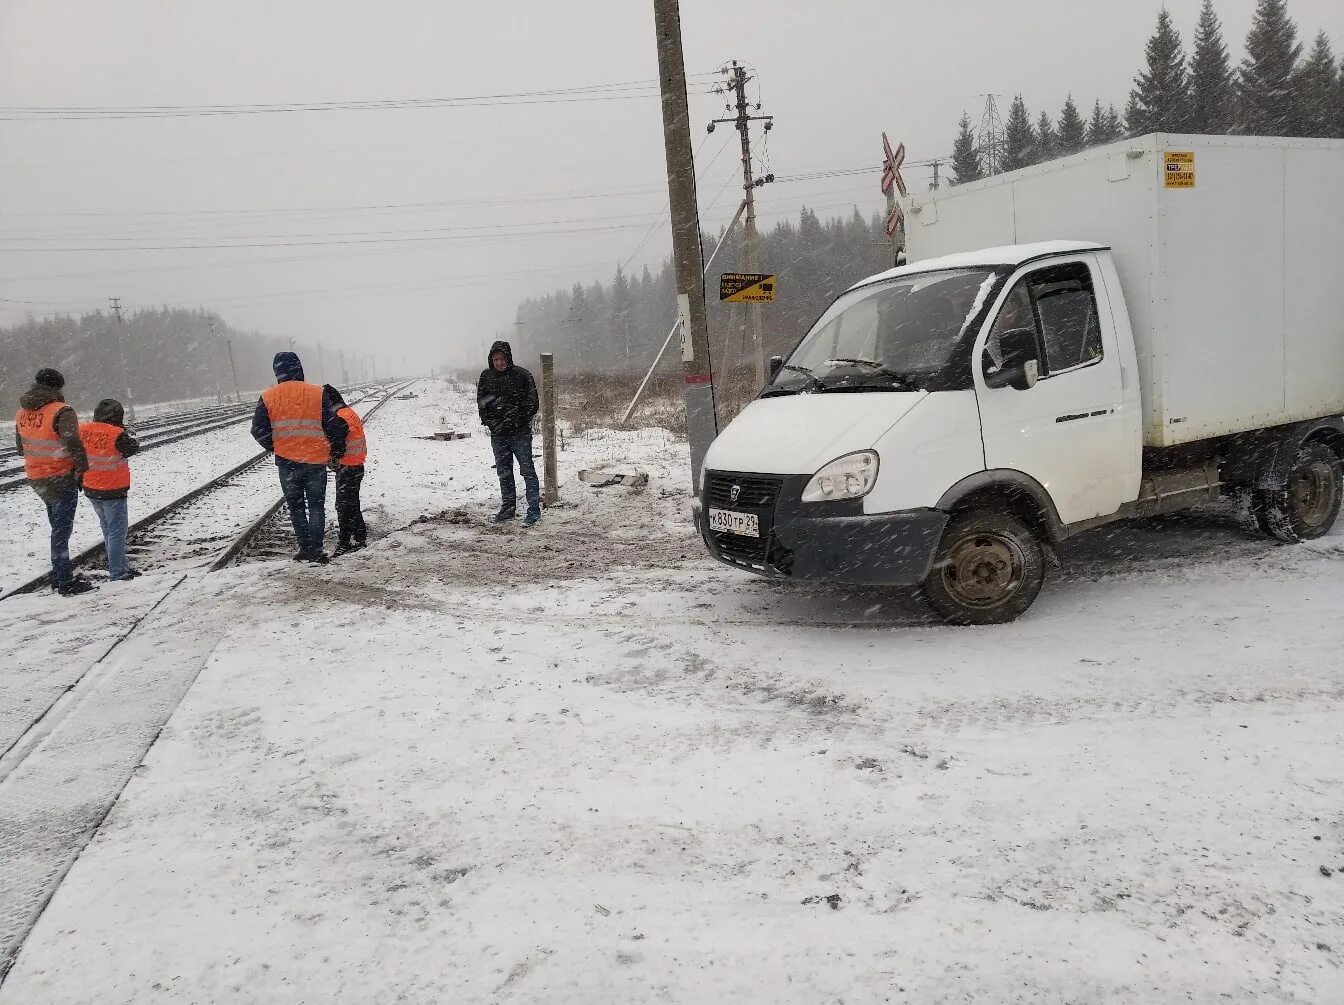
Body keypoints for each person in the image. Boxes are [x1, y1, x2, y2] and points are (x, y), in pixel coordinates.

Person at [251, 352, 346, 564]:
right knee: (316, 506)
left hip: (287, 463)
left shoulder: (268, 396)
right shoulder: (317, 393)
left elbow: (258, 430)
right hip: (315, 461)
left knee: (296, 507)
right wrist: (336, 452)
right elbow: (333, 426)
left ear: (277, 371)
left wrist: (277, 446)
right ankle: (316, 550)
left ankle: (304, 548)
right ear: (299, 368)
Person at [14, 367, 93, 596]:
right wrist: (82, 468)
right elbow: (72, 441)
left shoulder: (21, 413)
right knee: (61, 530)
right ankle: (64, 581)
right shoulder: (62, 411)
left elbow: (21, 448)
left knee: (57, 526)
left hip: (36, 478)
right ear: (57, 387)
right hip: (60, 477)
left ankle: (60, 575)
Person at [477, 340, 540, 525]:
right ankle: (508, 508)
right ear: (491, 360)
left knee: (527, 470)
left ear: (508, 358)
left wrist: (516, 420)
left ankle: (534, 510)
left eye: (502, 358)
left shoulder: (522, 375)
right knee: (504, 472)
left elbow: (532, 403)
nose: (499, 362)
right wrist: (492, 423)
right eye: (495, 359)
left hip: (520, 433)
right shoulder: (486, 377)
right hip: (498, 435)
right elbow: (483, 403)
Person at [79, 398, 142, 581]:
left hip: (91, 487)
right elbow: (132, 448)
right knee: (117, 531)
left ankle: (118, 565)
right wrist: (129, 433)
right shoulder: (117, 434)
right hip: (112, 489)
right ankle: (118, 572)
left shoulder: (84, 429)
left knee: (107, 528)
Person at [323, 384, 367, 557]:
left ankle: (346, 542)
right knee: (351, 503)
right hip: (356, 465)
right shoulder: (348, 412)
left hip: (347, 466)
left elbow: (338, 445)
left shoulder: (338, 416)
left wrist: (332, 457)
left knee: (344, 506)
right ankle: (358, 538)